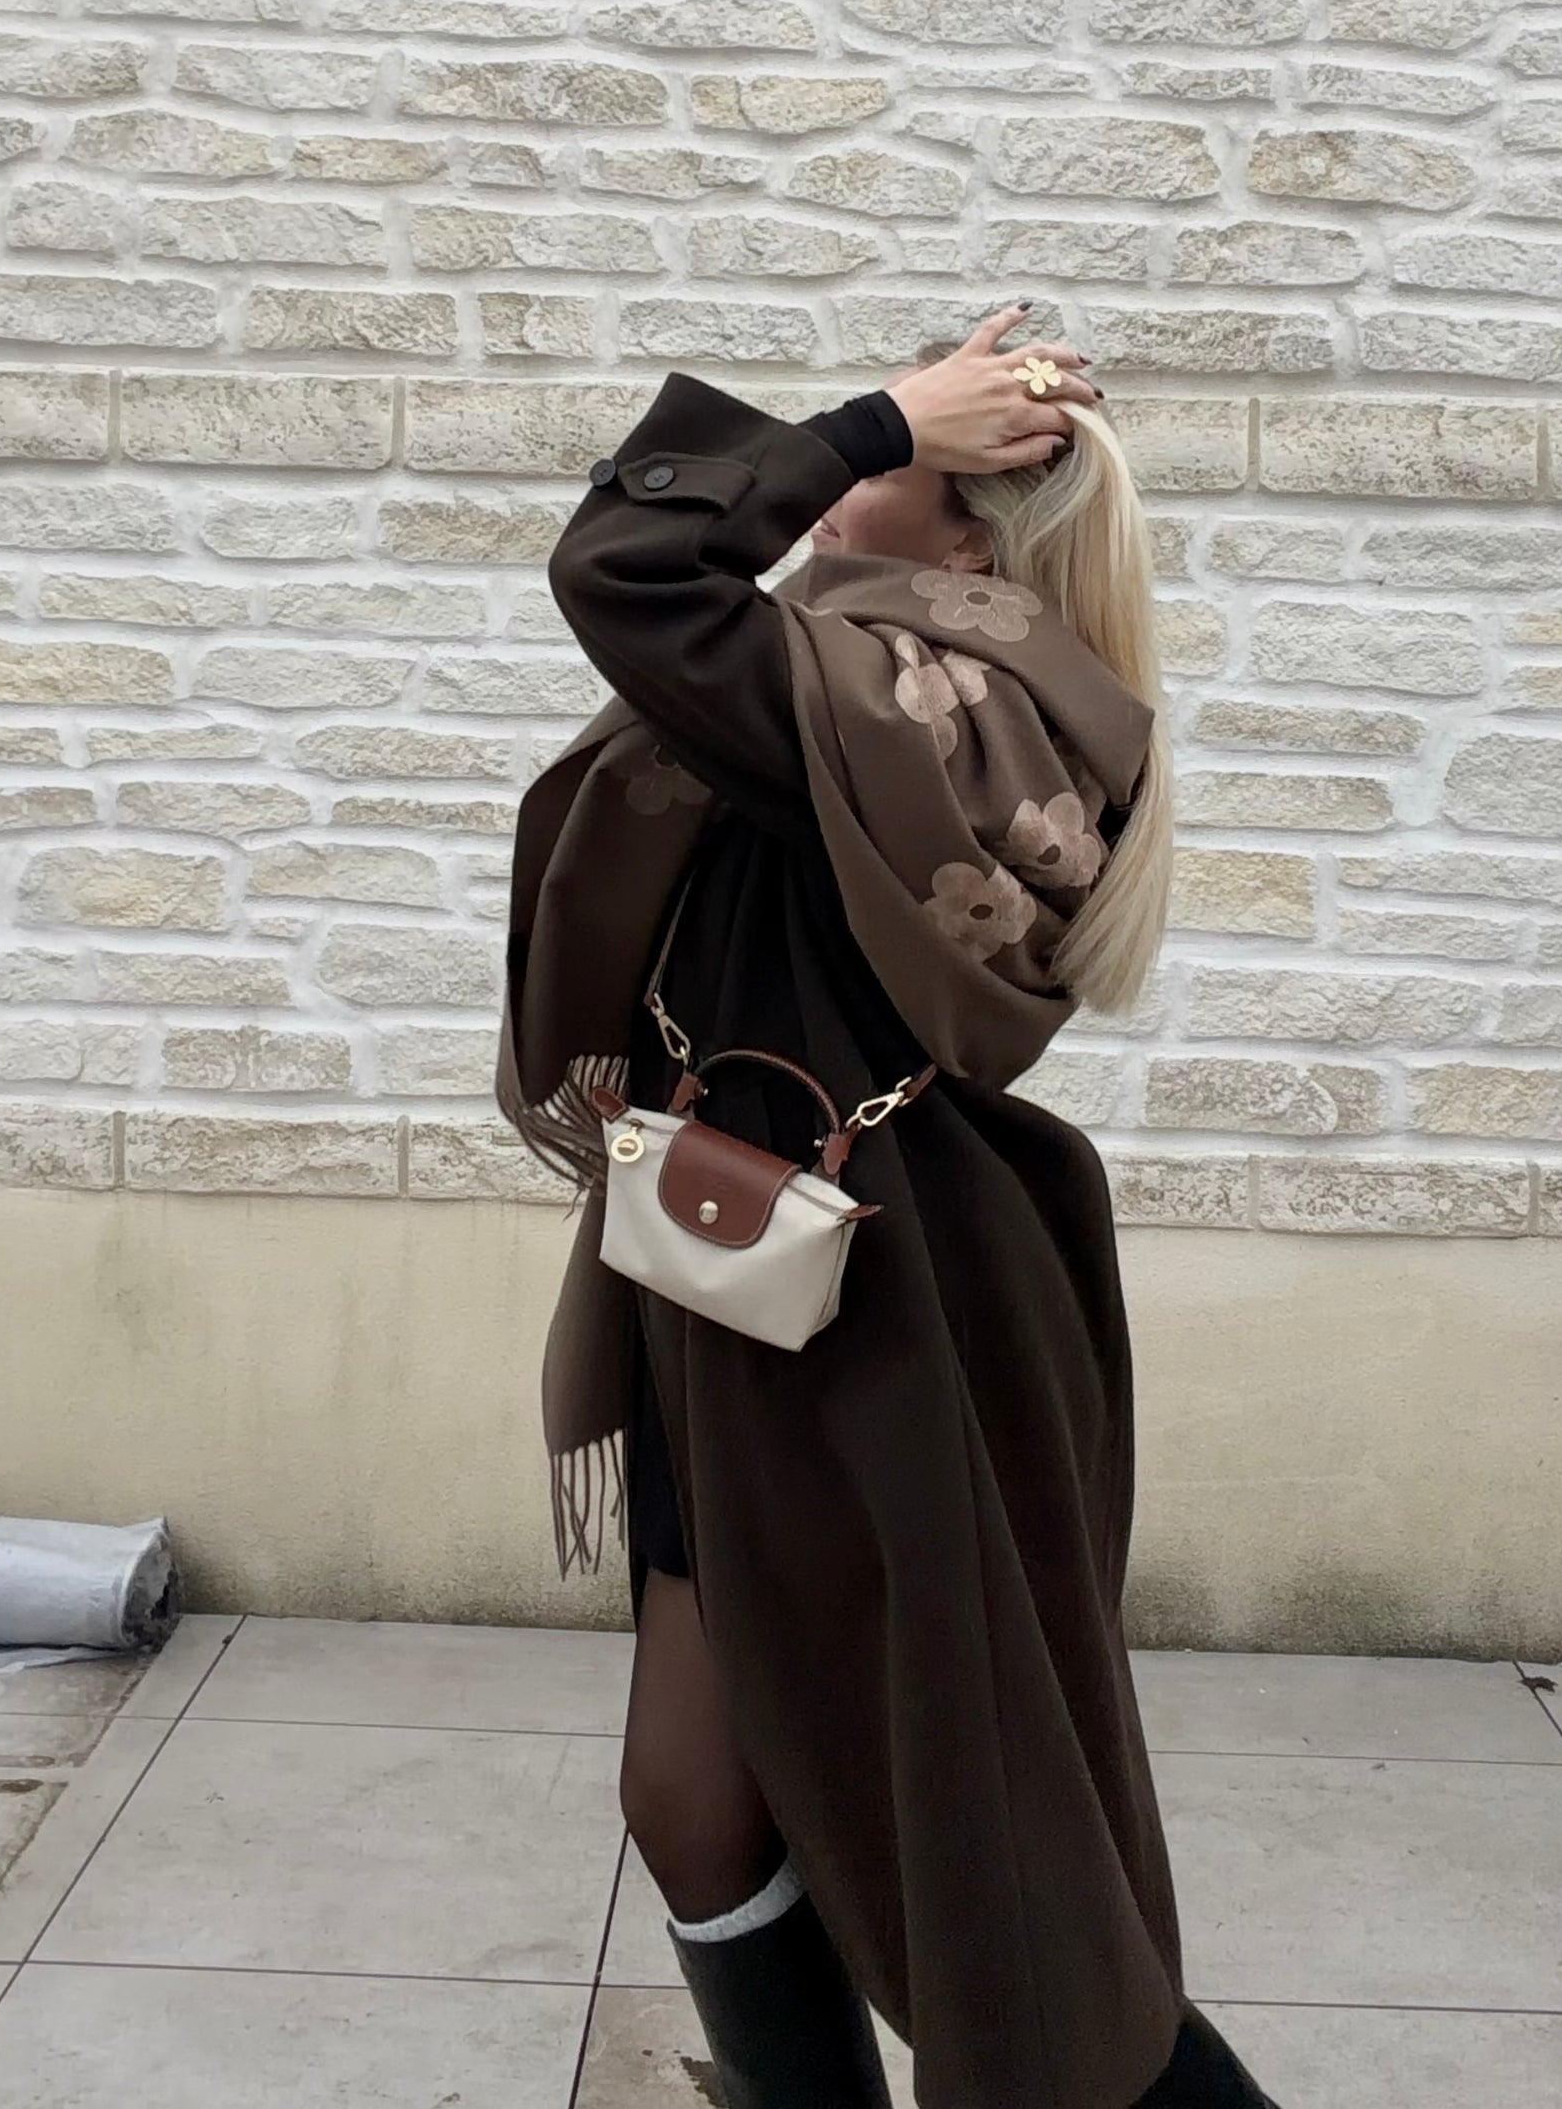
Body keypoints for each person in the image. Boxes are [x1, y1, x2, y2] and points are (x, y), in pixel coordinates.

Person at [497, 307, 1280, 2108]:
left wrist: (870, 417)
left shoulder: (924, 712)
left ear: (972, 538)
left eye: (902, 456)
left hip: (881, 1303)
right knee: (691, 1798)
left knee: (993, 1861)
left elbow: (624, 562)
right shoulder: (852, 683)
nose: (840, 467)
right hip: (733, 1269)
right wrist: (882, 431)